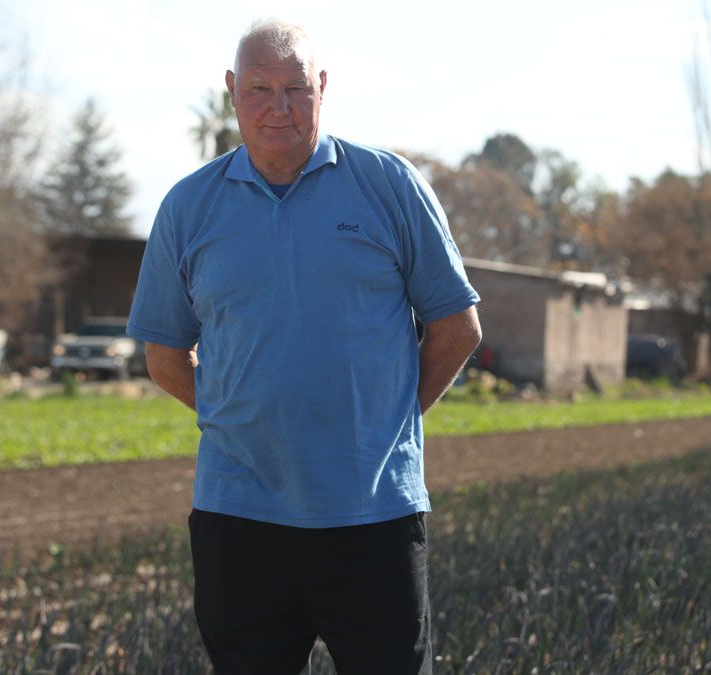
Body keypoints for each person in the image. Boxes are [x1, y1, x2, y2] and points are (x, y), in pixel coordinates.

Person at [127, 18, 481, 674]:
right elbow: (165, 357)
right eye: (260, 87)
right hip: (239, 519)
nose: (278, 106)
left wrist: (389, 417)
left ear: (323, 88)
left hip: (372, 515)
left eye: (296, 88)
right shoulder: (188, 207)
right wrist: (240, 417)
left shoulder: (389, 186)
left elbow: (458, 328)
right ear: (232, 91)